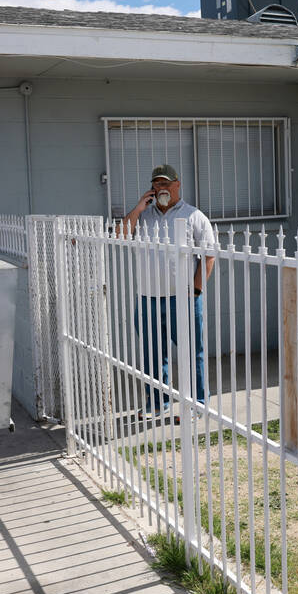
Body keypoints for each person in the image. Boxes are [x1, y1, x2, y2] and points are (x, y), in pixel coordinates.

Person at [122, 164, 216, 418]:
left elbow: (208, 256)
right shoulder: (143, 215)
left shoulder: (194, 215)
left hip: (182, 298)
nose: (162, 188)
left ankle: (197, 403)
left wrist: (195, 292)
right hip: (148, 297)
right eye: (157, 184)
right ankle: (157, 402)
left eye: (166, 184)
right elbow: (120, 235)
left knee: (190, 352)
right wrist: (140, 207)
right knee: (153, 354)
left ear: (177, 185)